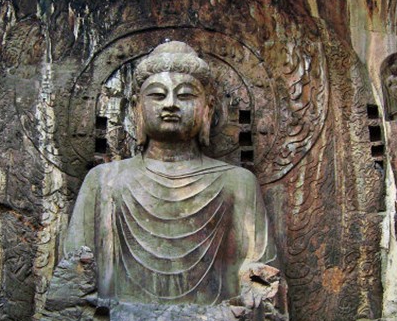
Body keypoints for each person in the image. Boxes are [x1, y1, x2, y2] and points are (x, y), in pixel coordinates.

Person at [64, 41, 278, 305]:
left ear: (208, 108)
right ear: (137, 107)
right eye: (157, 95)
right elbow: (74, 275)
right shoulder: (103, 181)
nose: (171, 104)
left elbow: (262, 275)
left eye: (186, 96)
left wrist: (253, 291)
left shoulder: (238, 182)